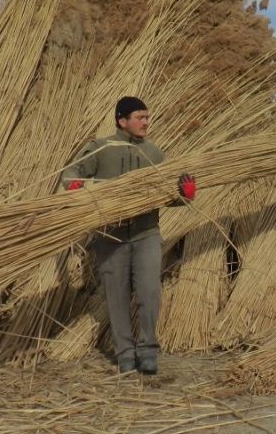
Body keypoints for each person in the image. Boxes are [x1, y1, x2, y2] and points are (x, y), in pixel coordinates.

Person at [61, 96, 196, 374]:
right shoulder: (101, 148)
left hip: (146, 234)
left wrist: (186, 195)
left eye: (147, 117)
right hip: (110, 237)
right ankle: (124, 352)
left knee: (149, 293)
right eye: (140, 117)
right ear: (122, 120)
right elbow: (71, 173)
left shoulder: (154, 154)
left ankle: (148, 350)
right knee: (117, 296)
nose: (146, 122)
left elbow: (168, 195)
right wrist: (75, 185)